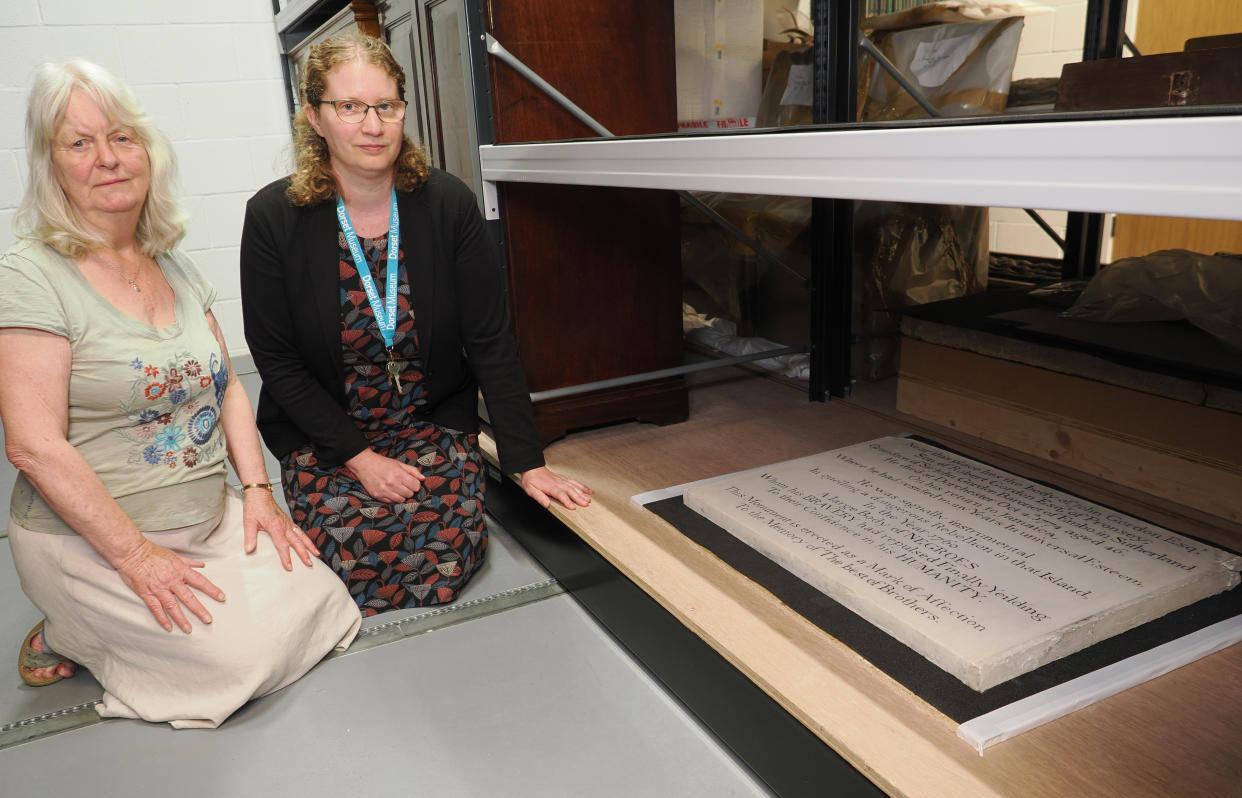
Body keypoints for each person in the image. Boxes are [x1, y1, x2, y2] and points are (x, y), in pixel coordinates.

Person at [0, 60, 361, 728]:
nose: (107, 159)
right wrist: (137, 558)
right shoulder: (28, 276)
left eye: (122, 138)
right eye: (79, 144)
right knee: (240, 664)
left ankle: (152, 613)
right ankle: (67, 628)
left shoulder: (171, 260)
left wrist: (258, 494)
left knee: (326, 599)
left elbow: (225, 388)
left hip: (206, 516)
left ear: (148, 152)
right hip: (96, 541)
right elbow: (33, 446)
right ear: (51, 165)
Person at [240, 32, 591, 616]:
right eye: (350, 108)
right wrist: (360, 458)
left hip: (428, 423)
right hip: (328, 436)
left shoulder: (447, 204)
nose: (372, 125)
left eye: (386, 106)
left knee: (443, 552)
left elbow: (490, 339)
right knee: (351, 551)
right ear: (314, 117)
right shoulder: (274, 217)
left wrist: (527, 461)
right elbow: (276, 362)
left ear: (404, 110)